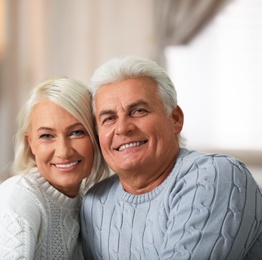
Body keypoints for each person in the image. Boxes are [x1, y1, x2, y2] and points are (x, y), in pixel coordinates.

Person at [80, 56, 262, 259]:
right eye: (109, 118)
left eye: (139, 111)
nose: (123, 127)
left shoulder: (215, 176)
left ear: (175, 119)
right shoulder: (95, 202)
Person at [0, 77, 109, 259]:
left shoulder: (88, 198)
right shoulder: (23, 197)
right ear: (30, 143)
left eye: (76, 132)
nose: (63, 151)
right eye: (47, 136)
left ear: (95, 135)